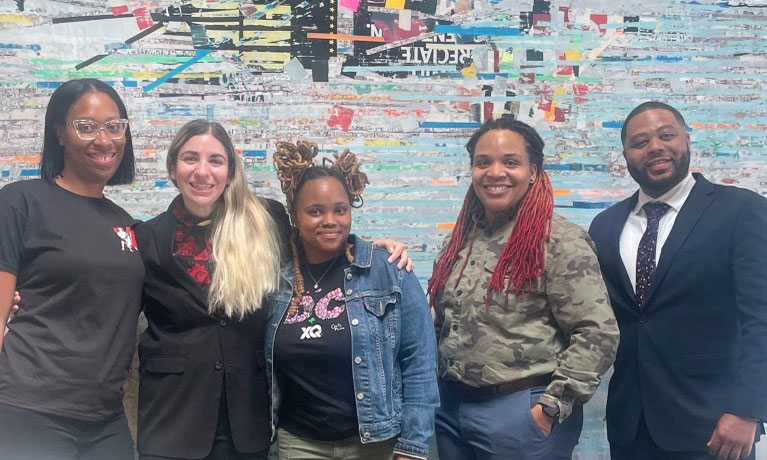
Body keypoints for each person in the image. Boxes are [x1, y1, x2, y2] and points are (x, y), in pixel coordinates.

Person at [428, 117, 619, 460]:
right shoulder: (459, 241)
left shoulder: (559, 241)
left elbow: (597, 334)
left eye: (510, 162)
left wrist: (548, 409)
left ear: (533, 171)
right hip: (453, 409)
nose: (495, 172)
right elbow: (443, 325)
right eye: (483, 162)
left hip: (521, 411)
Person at [588, 101, 767, 460]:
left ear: (686, 139)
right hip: (629, 426)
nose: (655, 146)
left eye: (666, 135)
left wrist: (748, 409)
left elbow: (761, 318)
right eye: (639, 142)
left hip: (715, 426)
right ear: (625, 156)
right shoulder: (605, 226)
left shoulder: (741, 210)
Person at [266, 141, 439, 460]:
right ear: (294, 215)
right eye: (315, 211)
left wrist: (413, 446)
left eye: (339, 209)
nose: (329, 220)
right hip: (300, 443)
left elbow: (419, 362)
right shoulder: (276, 283)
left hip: (374, 442)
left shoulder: (389, 270)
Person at [0, 78, 143, 459]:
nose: (104, 140)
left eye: (115, 127)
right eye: (87, 126)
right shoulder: (21, 202)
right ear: (60, 133)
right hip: (29, 410)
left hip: (106, 418)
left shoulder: (126, 224)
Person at [134, 119, 285, 460]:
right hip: (171, 421)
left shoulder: (266, 223)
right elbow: (111, 303)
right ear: (173, 168)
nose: (203, 172)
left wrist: (370, 251)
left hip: (246, 422)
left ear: (230, 171)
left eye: (215, 160)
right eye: (190, 158)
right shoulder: (146, 238)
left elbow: (318, 253)